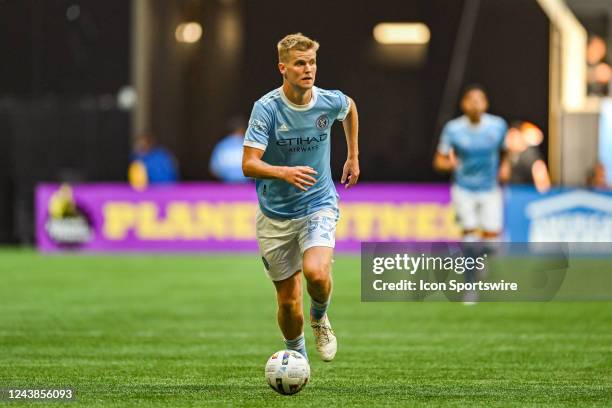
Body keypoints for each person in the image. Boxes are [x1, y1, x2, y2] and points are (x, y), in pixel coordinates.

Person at [241, 33, 359, 362]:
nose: (308, 69)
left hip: (318, 204)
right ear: (283, 68)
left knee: (317, 273)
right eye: (300, 63)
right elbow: (248, 163)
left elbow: (349, 108)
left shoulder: (327, 100)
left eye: (312, 62)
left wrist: (353, 155)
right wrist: (284, 172)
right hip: (275, 214)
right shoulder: (267, 108)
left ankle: (320, 318)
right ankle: (297, 358)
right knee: (288, 301)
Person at [433, 85, 508, 242]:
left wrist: (504, 166)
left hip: (490, 187)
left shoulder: (498, 126)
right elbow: (439, 160)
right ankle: (471, 265)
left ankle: (482, 263)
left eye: (479, 100)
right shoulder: (453, 129)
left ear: (486, 104)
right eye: (471, 100)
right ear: (463, 104)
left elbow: (505, 150)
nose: (475, 104)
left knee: (492, 237)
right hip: (463, 187)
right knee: (470, 233)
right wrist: (448, 165)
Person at [500, 121, 551, 193]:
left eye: (514, 137)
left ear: (520, 137)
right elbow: (503, 177)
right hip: (512, 194)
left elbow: (542, 182)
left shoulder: (530, 155)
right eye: (509, 137)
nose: (510, 141)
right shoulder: (507, 155)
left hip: (527, 195)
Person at [209, 117, 249, 183]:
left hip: (226, 186)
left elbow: (214, 169)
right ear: (242, 130)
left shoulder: (222, 145)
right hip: (244, 186)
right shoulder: (248, 145)